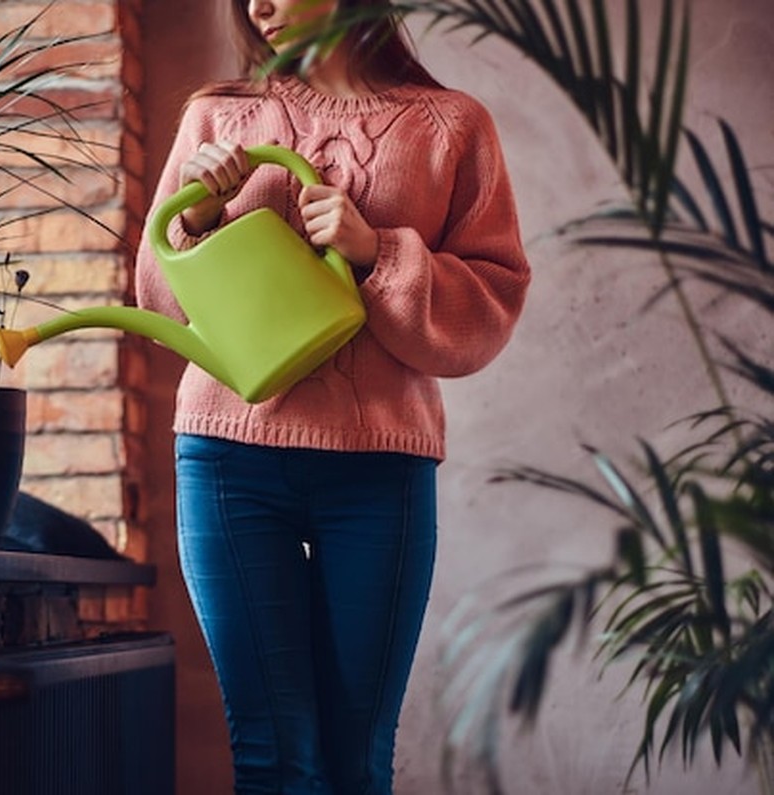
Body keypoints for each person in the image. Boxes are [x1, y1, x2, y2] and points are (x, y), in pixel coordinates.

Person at [135, 0, 531, 793]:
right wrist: (198, 219)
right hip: (229, 463)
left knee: (354, 758)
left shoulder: (452, 128)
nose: (259, 7)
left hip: (380, 468)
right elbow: (156, 303)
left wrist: (376, 252)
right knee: (273, 750)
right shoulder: (218, 118)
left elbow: (491, 303)